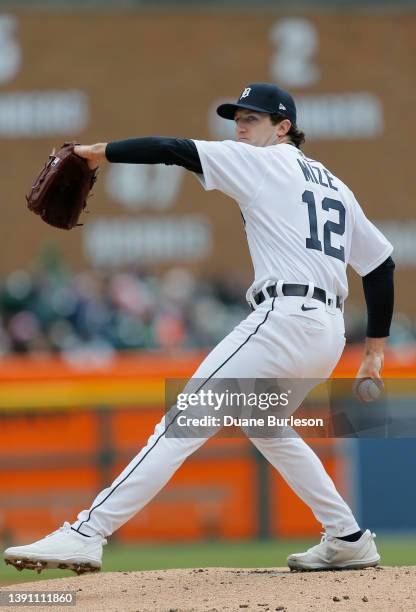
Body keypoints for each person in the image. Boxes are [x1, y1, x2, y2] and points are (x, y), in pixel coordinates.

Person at [4, 83, 394, 574]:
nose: (240, 127)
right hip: (326, 333)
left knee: (181, 422)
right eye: (238, 118)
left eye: (251, 119)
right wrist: (374, 351)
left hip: (284, 321)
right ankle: (348, 535)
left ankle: (87, 532)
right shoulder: (336, 186)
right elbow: (380, 266)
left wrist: (94, 152)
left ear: (283, 127)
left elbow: (174, 150)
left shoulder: (265, 160)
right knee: (266, 424)